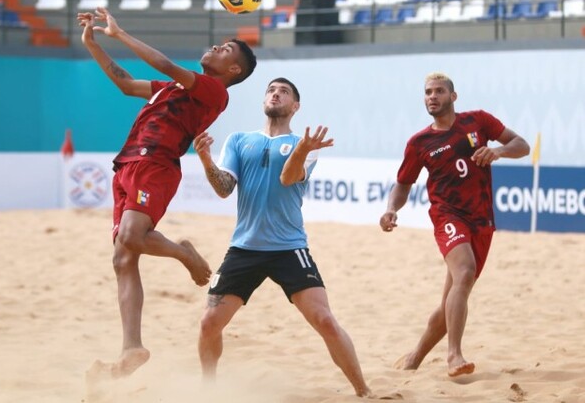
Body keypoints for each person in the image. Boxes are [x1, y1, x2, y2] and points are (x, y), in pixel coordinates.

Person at [77, 7, 257, 379]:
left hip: (156, 163)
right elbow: (126, 84)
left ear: (232, 71)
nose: (215, 47)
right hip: (127, 165)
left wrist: (119, 34)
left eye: (225, 49)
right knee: (122, 259)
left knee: (131, 236)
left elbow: (163, 63)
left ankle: (184, 254)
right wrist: (93, 45)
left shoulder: (213, 90)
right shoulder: (175, 89)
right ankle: (132, 348)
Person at [193, 78, 375, 398]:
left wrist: (303, 148)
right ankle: (209, 390)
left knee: (325, 321)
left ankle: (363, 391)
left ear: (295, 106)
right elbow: (224, 189)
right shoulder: (239, 140)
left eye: (284, 91)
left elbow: (288, 177)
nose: (275, 94)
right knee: (209, 323)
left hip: (289, 248)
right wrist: (207, 159)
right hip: (244, 248)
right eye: (270, 90)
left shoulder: (305, 145)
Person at [379, 72, 530, 377]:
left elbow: (522, 145)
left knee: (453, 296)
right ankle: (454, 356)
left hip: (482, 219)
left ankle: (414, 358)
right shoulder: (420, 142)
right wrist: (391, 209)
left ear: (453, 96)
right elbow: (403, 184)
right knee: (465, 271)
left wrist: (498, 151)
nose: (431, 97)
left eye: (438, 91)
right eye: (427, 93)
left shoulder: (478, 121)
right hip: (448, 216)